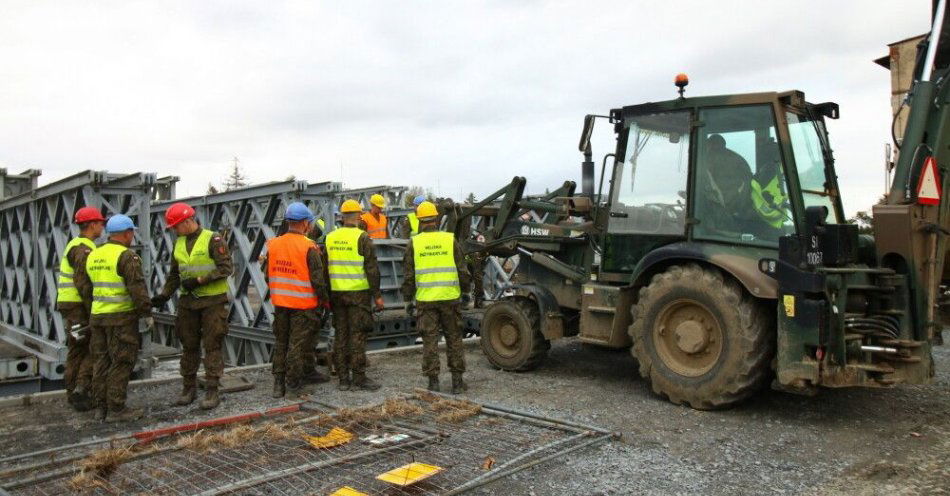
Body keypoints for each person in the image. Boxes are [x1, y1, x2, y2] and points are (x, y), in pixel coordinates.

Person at [151, 203, 233, 410]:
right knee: (188, 345)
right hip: (188, 302)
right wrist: (164, 294)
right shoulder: (179, 243)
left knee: (212, 345)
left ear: (188, 221)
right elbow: (174, 275)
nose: (174, 230)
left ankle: (212, 390)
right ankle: (189, 388)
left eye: (176, 226)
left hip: (212, 301)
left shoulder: (212, 239)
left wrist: (199, 280)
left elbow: (225, 268)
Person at [86, 215, 153, 422]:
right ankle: (116, 409)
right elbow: (137, 289)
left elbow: (87, 287)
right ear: (127, 233)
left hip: (98, 316)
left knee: (101, 361)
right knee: (122, 361)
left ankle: (100, 408)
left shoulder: (95, 255)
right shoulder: (126, 256)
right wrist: (146, 313)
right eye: (132, 232)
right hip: (120, 318)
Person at [401, 201, 471, 394]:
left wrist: (408, 300)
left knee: (430, 340)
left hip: (426, 301)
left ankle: (433, 383)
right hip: (450, 298)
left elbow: (408, 276)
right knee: (454, 338)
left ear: (419, 220)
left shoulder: (414, 243)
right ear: (436, 219)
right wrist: (466, 292)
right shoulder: (450, 240)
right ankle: (457, 383)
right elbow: (462, 269)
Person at [262, 202, 329, 399]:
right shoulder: (309, 247)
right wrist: (325, 302)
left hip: (281, 304)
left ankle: (278, 385)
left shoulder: (273, 244)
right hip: (303, 307)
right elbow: (318, 280)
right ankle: (293, 387)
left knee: (281, 343)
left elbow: (267, 276)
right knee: (297, 346)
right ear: (305, 224)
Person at [326, 199, 384, 391]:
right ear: (359, 216)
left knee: (341, 335)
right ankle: (359, 377)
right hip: (357, 294)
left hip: (336, 293)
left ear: (342, 217)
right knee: (357, 335)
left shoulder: (330, 238)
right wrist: (377, 296)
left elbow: (324, 268)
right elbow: (372, 269)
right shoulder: (363, 238)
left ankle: (343, 379)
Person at [56, 206, 105, 411]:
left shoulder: (74, 244)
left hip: (69, 305)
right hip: (79, 307)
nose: (102, 227)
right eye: (101, 223)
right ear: (92, 224)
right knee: (89, 346)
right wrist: (94, 310)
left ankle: (73, 393)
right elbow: (83, 283)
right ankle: (80, 391)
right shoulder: (84, 249)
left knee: (76, 348)